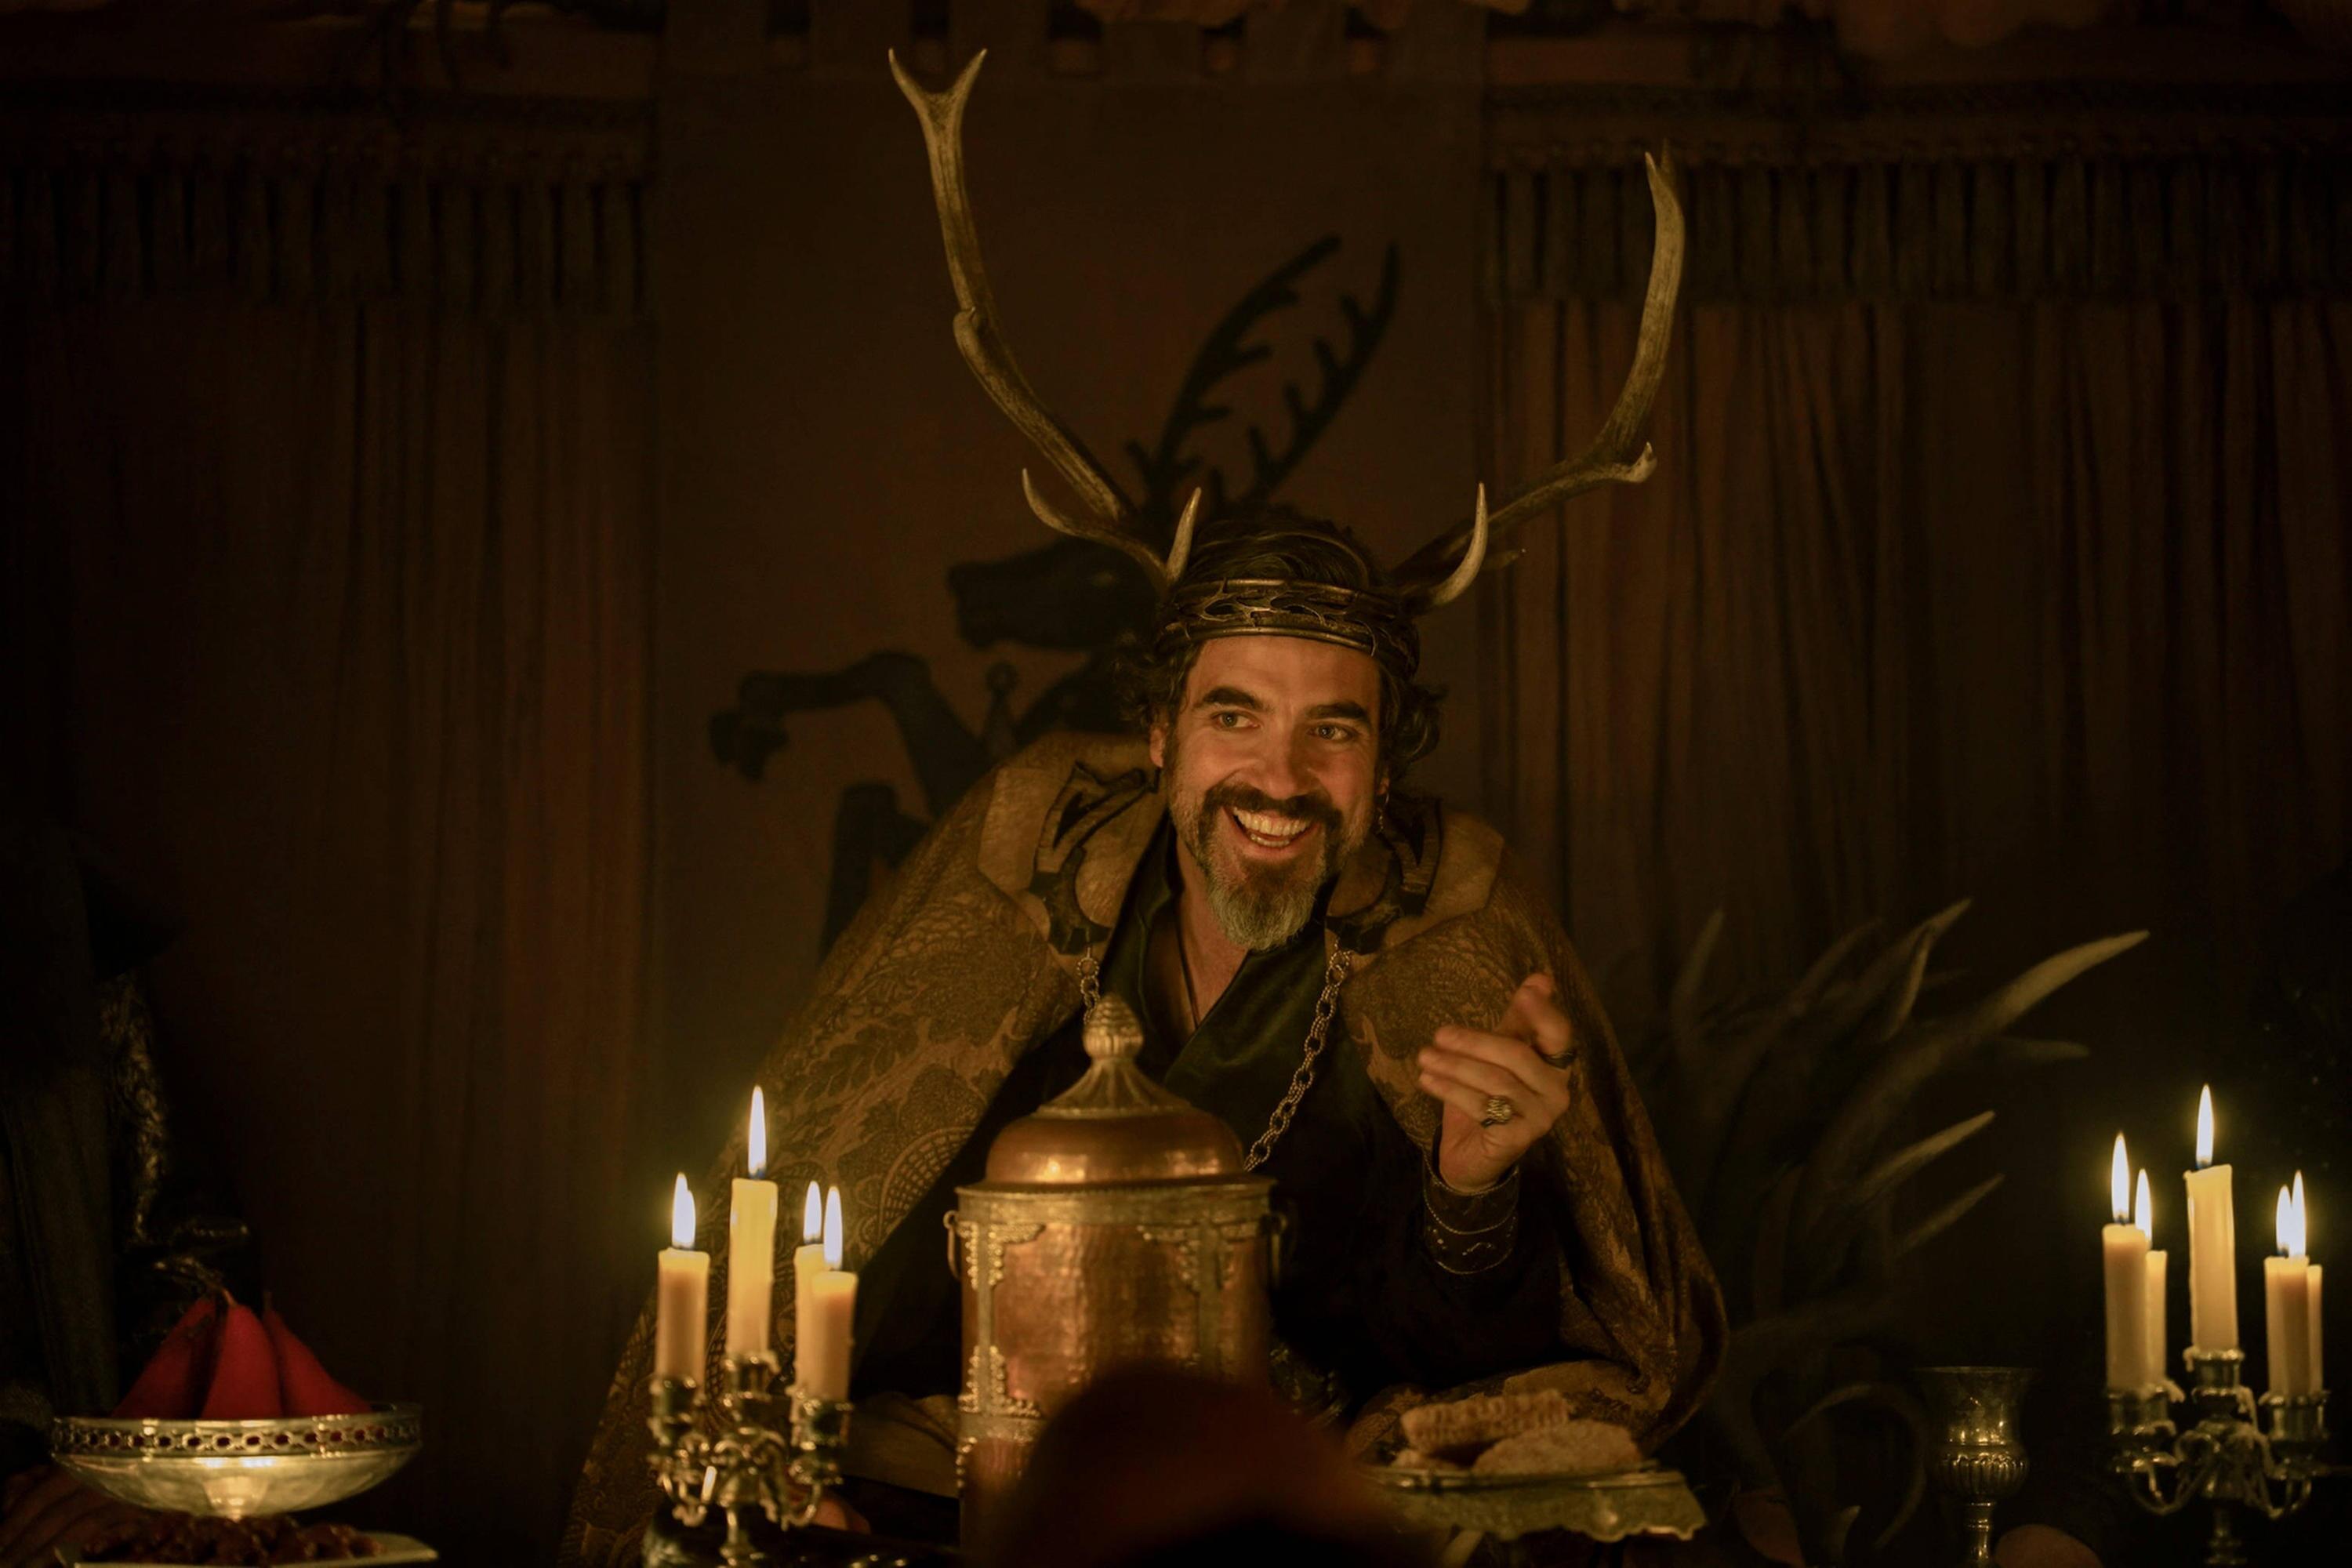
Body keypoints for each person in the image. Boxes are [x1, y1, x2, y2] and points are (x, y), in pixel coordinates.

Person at [560, 52, 1723, 1566]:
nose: (1281, 781)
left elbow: (1476, 1366)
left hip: (1299, 1511)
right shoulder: (1022, 882)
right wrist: (799, 1449)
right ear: (1162, 735)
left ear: (1386, 764)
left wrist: (1471, 1190)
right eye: (1235, 718)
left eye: (1334, 731)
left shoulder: (1454, 934)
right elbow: (868, 1240)